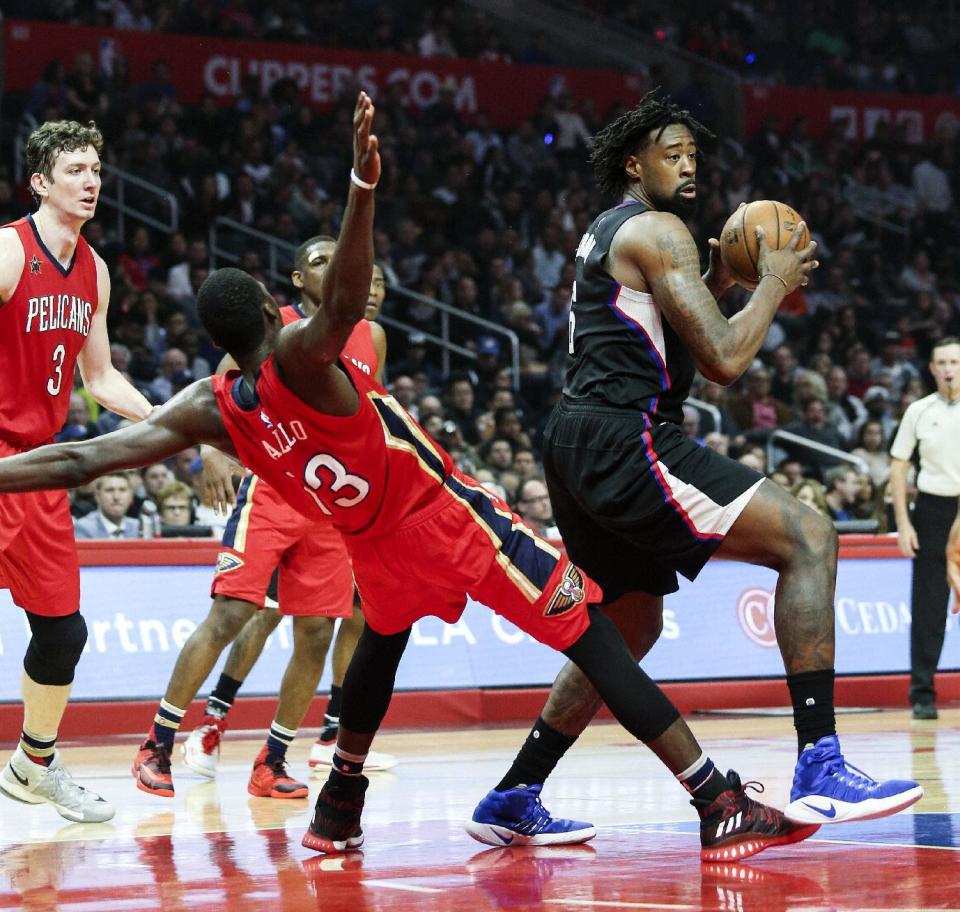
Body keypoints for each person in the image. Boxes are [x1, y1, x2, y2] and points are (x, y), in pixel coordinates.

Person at [0, 93, 817, 863]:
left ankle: (337, 806)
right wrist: (362, 190)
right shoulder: (300, 354)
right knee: (596, 636)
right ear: (265, 305)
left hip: (372, 544)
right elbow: (350, 295)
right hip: (445, 516)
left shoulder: (210, 408)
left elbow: (81, 456)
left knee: (380, 646)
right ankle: (717, 801)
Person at [468, 90, 920, 846]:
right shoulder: (658, 229)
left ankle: (516, 791)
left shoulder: (610, 232)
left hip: (577, 439)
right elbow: (725, 361)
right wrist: (773, 281)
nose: (688, 164)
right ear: (632, 163)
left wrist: (719, 286)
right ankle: (821, 761)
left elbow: (672, 356)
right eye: (672, 153)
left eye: (694, 154)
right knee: (809, 534)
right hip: (624, 437)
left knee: (629, 625)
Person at [129, 238, 391, 800]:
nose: (337, 269)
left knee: (318, 632)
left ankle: (272, 760)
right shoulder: (276, 327)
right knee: (232, 614)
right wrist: (214, 451)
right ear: (295, 282)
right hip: (272, 491)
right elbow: (221, 383)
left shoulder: (372, 335)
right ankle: (159, 742)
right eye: (318, 261)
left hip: (327, 504)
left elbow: (368, 412)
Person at [0, 119, 153, 823]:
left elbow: (100, 377)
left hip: (44, 470)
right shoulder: (8, 251)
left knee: (63, 633)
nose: (91, 181)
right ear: (39, 181)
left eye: (96, 168)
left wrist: (161, 423)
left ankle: (33, 765)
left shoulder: (92, 269)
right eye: (75, 170)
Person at [889, 337, 960, 721]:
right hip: (933, 509)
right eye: (942, 362)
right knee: (929, 605)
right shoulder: (918, 410)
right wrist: (903, 523)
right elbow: (899, 466)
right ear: (932, 369)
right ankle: (923, 693)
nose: (949, 369)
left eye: (955, 362)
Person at [73, 473, 140, 538]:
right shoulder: (83, 528)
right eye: (110, 490)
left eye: (122, 490)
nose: (116, 497)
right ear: (97, 495)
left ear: (131, 496)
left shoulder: (139, 528)